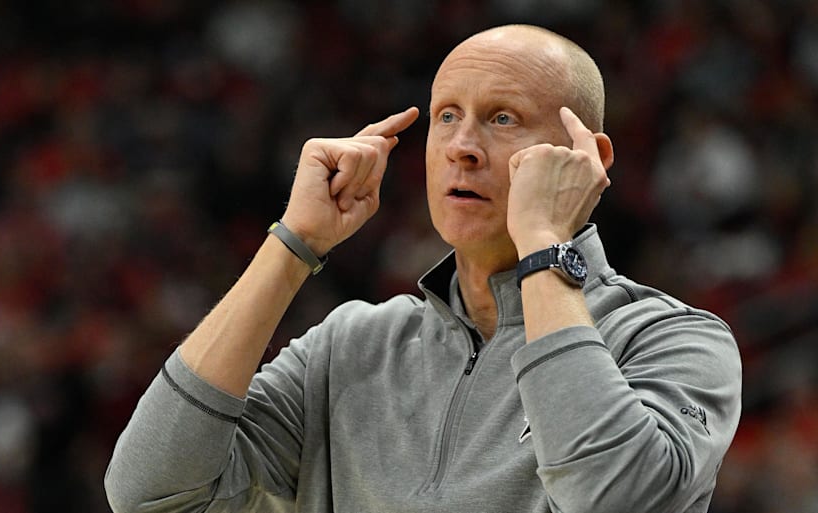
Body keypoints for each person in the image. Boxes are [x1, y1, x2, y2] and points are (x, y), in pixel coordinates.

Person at [104, 24, 742, 513]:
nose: (462, 147)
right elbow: (148, 490)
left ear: (588, 156)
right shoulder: (350, 346)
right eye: (446, 117)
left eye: (502, 118)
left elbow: (613, 498)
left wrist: (544, 244)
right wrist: (294, 242)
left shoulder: (674, 341)